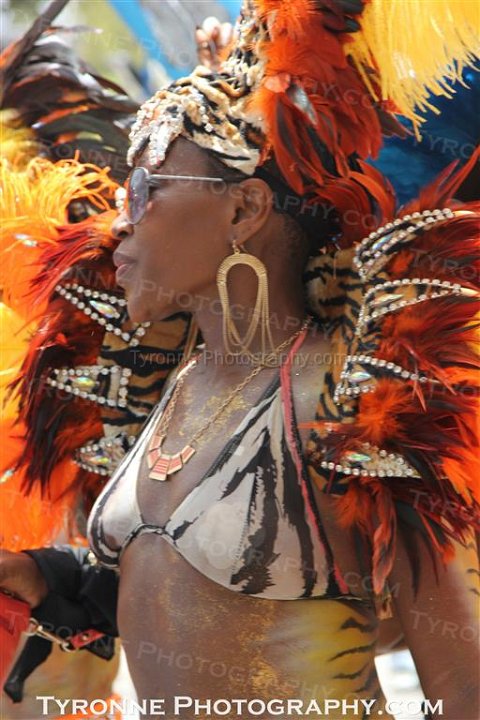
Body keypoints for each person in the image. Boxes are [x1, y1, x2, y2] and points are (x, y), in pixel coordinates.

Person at [1, 1, 479, 718]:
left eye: (149, 190)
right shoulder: (166, 385)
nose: (121, 221)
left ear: (244, 210)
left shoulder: (356, 400)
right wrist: (48, 579)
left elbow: (464, 686)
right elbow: (182, 589)